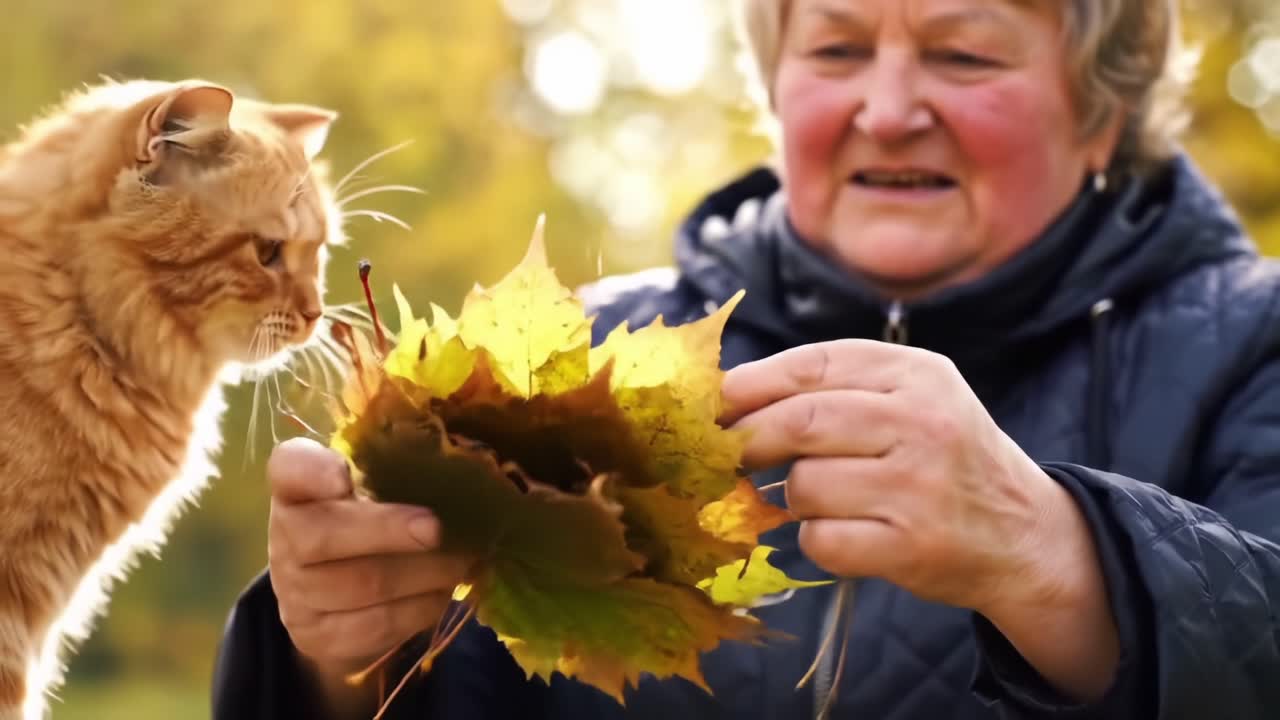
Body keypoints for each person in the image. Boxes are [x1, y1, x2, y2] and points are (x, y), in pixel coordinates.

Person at [212, 0, 1280, 717]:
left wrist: (1054, 555)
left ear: (1102, 111)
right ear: (774, 90)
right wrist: (333, 664)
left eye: (963, 53)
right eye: (833, 50)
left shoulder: (1250, 343)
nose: (890, 110)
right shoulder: (583, 358)